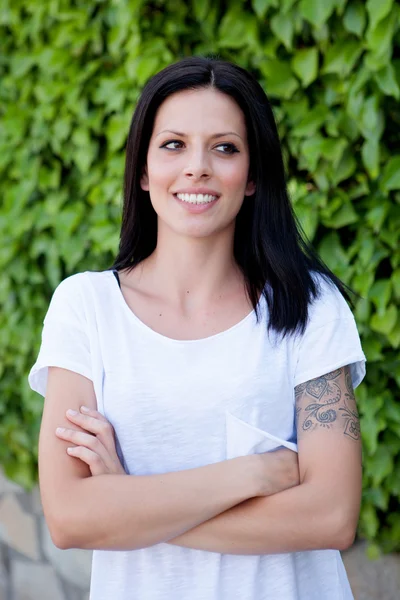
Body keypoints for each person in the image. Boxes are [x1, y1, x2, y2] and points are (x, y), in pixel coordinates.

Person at [29, 56, 366, 600]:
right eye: (173, 145)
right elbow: (70, 519)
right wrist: (254, 476)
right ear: (142, 170)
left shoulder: (310, 307)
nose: (198, 167)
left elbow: (330, 516)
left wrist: (127, 504)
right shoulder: (85, 308)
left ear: (253, 176)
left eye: (225, 147)